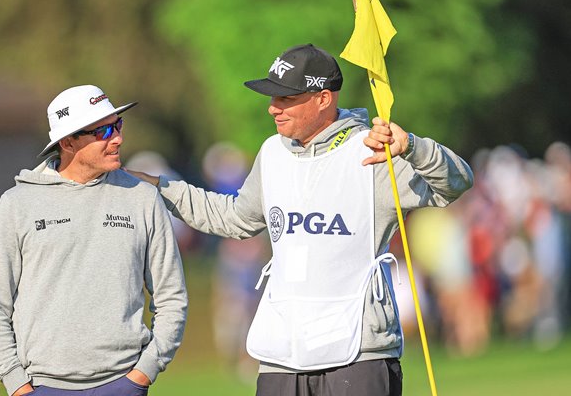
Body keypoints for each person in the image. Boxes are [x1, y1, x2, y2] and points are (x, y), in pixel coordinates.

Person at [130, 44, 473, 396]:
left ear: (323, 98)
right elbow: (235, 218)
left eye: (285, 99)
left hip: (359, 353)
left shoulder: (374, 152)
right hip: (282, 356)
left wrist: (414, 147)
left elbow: (456, 184)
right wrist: (162, 187)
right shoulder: (272, 152)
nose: (272, 108)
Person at [0, 85, 188, 396]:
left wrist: (145, 371)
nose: (117, 138)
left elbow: (171, 296)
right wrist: (15, 383)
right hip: (41, 387)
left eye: (117, 125)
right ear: (67, 141)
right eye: (102, 130)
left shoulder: (142, 198)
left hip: (124, 384)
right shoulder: (17, 203)